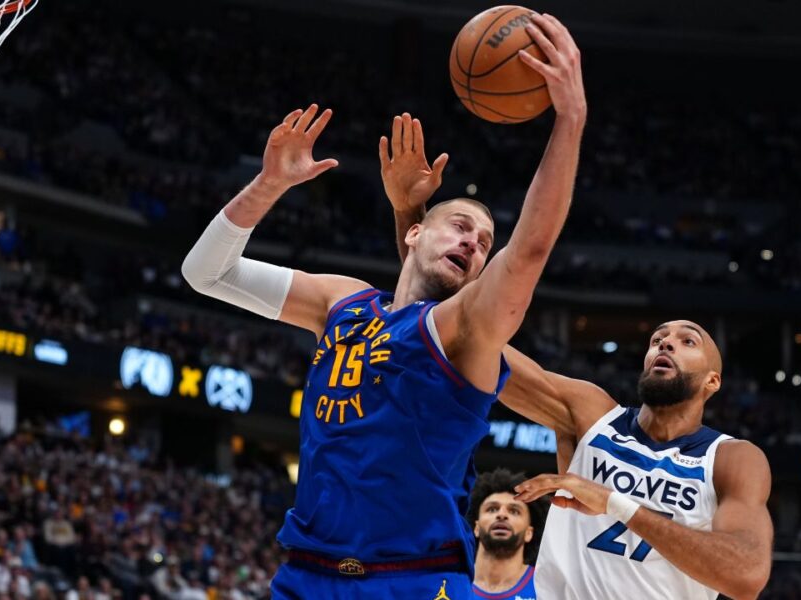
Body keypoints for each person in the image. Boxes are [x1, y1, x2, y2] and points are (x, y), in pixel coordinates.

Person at [181, 13, 585, 599]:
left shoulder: (464, 331)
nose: (474, 243)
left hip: (415, 583)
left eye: (484, 243)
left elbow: (529, 251)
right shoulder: (343, 302)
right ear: (415, 234)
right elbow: (206, 273)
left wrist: (570, 119)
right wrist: (269, 184)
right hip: (306, 577)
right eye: (459, 225)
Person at [392, 228, 771, 595]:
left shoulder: (731, 459)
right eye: (657, 340)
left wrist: (612, 502)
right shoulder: (593, 415)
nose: (665, 344)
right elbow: (468, 338)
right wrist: (417, 232)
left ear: (712, 381)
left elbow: (745, 576)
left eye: (687, 341)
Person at [467, 470, 548, 600]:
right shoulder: (447, 582)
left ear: (529, 533)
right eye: (492, 509)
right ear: (476, 528)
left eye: (514, 511)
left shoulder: (546, 587)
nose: (502, 515)